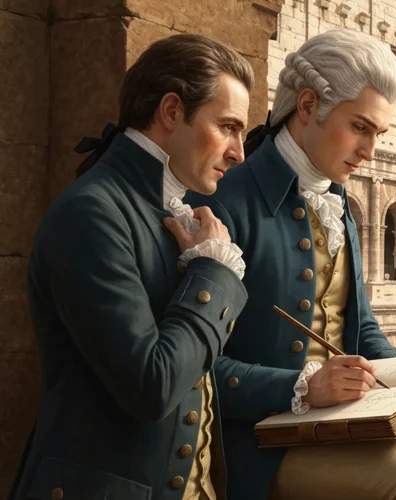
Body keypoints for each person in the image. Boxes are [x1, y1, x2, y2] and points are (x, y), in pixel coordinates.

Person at [186, 29, 396, 500]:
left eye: (378, 133)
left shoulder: (337, 201)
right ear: (308, 106)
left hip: (336, 427)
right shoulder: (224, 202)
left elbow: (362, 328)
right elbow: (194, 370)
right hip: (257, 445)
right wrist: (303, 387)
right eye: (360, 128)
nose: (370, 151)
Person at [9, 34, 252, 500]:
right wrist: (212, 276)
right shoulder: (92, 213)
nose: (239, 151)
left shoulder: (167, 211)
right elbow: (152, 387)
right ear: (171, 111)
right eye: (227, 127)